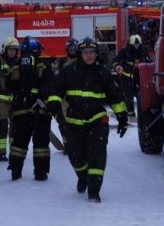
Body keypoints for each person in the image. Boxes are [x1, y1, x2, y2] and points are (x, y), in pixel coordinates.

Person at [47, 37, 129, 203]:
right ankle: (82, 176)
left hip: (96, 120)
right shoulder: (69, 71)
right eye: (86, 52)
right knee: (75, 157)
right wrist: (55, 104)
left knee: (97, 155)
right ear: (80, 54)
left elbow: (115, 97)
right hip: (74, 122)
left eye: (92, 52)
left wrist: (122, 118)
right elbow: (56, 89)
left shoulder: (103, 72)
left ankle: (94, 191)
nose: (89, 56)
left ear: (96, 54)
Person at [7, 36, 54, 181]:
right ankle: (40, 172)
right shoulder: (44, 65)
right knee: (41, 143)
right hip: (41, 110)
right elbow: (49, 86)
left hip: (21, 111)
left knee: (19, 142)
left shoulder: (16, 65)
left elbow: (10, 86)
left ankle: (15, 170)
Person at [0, 36, 19, 162]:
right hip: (1, 101)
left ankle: (14, 151)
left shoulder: (19, 63)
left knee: (15, 128)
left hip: (16, 100)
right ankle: (1, 153)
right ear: (5, 50)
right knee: (2, 126)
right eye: (10, 49)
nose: (12, 51)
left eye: (14, 49)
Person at [51, 37, 79, 151]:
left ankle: (77, 143)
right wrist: (55, 71)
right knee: (63, 121)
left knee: (77, 121)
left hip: (78, 95)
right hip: (64, 97)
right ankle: (67, 144)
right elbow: (52, 68)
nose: (72, 51)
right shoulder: (61, 61)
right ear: (67, 49)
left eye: (74, 49)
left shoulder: (81, 61)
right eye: (70, 49)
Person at [111, 34, 149, 117]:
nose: (137, 46)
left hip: (139, 77)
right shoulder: (125, 51)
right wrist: (117, 66)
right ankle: (130, 114)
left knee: (142, 96)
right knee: (128, 97)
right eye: (135, 44)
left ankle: (143, 114)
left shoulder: (143, 50)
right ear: (131, 44)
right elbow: (115, 60)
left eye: (138, 44)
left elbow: (148, 61)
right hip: (126, 76)